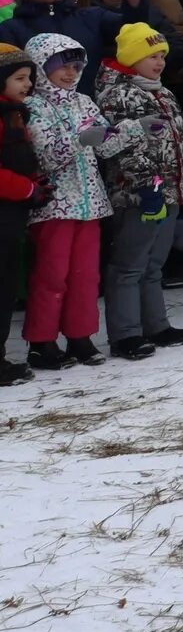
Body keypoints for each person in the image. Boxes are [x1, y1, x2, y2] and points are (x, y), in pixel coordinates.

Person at [20, 34, 121, 368]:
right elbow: (45, 154)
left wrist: (135, 130)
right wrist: (81, 140)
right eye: (61, 66)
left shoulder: (84, 103)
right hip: (55, 206)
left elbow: (106, 144)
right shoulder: (33, 106)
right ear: (40, 67)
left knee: (85, 274)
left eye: (77, 67)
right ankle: (42, 340)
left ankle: (80, 335)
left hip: (90, 204)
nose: (71, 73)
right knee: (52, 275)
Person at [94, 23, 183, 360]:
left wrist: (181, 181)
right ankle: (125, 334)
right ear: (132, 57)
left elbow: (174, 144)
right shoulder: (119, 95)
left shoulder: (162, 92)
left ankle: (156, 325)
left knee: (154, 264)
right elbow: (126, 150)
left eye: (162, 55)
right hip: (137, 194)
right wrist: (149, 187)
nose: (159, 61)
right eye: (151, 55)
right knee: (129, 265)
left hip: (168, 190)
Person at [0, 47, 40, 385]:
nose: (27, 84)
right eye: (19, 78)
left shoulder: (15, 112)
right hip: (5, 208)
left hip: (12, 213)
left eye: (29, 78)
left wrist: (36, 182)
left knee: (8, 282)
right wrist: (26, 189)